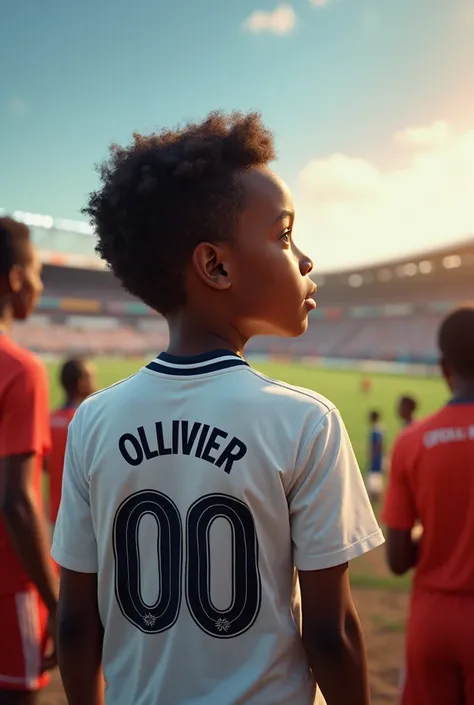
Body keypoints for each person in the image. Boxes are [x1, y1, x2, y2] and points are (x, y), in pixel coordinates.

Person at [52, 111, 384, 705]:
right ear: (217, 265)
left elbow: (77, 623)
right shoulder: (306, 422)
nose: (305, 260)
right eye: (284, 236)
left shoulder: (93, 423)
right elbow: (331, 636)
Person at [382, 306, 474, 705]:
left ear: (443, 367)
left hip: (432, 618)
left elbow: (398, 559)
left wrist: (440, 542)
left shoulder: (411, 442)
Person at [0, 217, 58, 704]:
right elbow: (17, 501)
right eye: (38, 273)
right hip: (8, 586)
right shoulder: (21, 371)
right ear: (16, 278)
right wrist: (56, 601)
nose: (40, 286)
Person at [47, 359, 96, 525]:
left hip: (56, 513)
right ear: (81, 383)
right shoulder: (88, 422)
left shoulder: (49, 421)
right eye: (91, 377)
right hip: (87, 517)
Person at [366, 410, 384, 502]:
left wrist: (372, 457)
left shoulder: (376, 431)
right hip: (377, 460)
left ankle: (374, 499)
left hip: (375, 461)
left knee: (373, 481)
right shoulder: (378, 430)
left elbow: (377, 447)